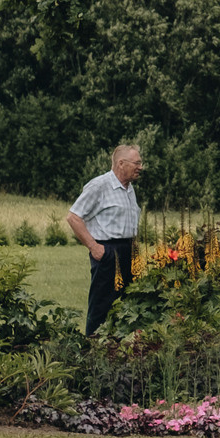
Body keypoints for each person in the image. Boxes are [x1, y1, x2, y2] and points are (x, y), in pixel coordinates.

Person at [68, 144, 145, 336]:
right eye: (137, 163)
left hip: (128, 250)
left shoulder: (129, 189)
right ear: (121, 163)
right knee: (102, 303)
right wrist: (94, 247)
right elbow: (73, 217)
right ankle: (93, 348)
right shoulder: (99, 186)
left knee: (128, 303)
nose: (140, 167)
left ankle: (119, 349)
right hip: (108, 251)